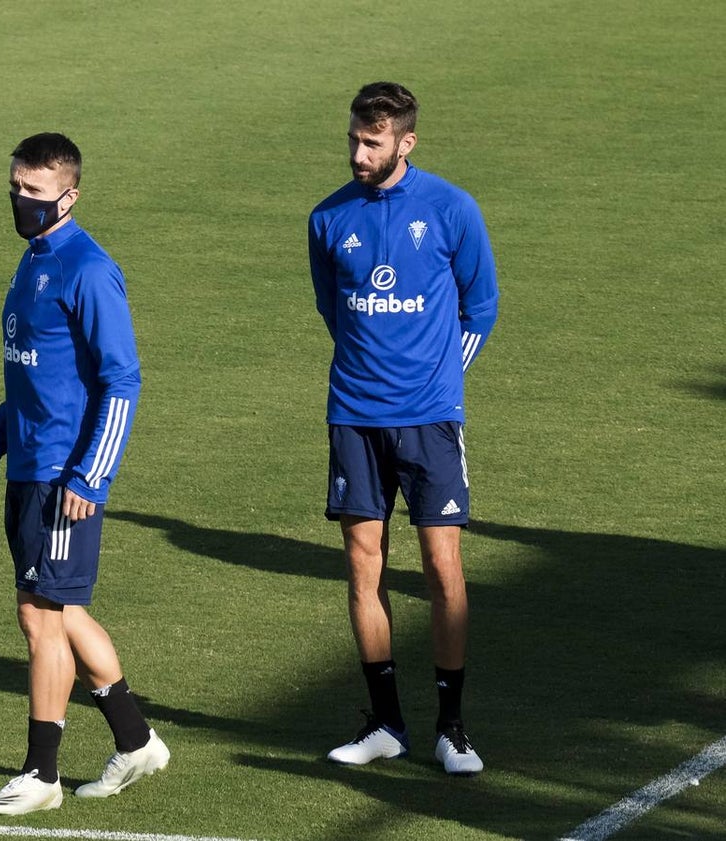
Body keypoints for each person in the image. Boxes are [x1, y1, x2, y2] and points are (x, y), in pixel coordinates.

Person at [0, 132, 169, 815]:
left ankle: (40, 774)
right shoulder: (33, 261)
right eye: (15, 188)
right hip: (28, 465)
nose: (22, 201)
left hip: (62, 472)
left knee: (39, 614)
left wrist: (90, 477)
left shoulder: (87, 267)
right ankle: (135, 740)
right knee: (62, 609)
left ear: (69, 195)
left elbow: (122, 380)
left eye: (35, 192)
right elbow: (33, 374)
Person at [307, 82, 499, 775]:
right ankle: (387, 722)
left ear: (405, 142)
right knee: (363, 568)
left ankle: (453, 727)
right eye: (355, 139)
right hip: (354, 418)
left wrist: (441, 378)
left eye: (373, 142)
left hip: (430, 420)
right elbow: (337, 311)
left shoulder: (451, 208)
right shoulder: (328, 218)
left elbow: (482, 306)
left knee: (443, 571)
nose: (359, 152)